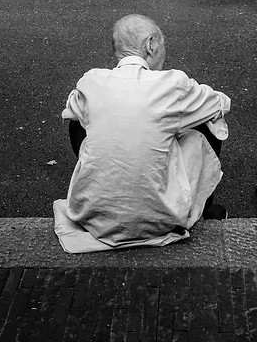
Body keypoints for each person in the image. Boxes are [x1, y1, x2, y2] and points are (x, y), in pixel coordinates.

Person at [53, 14, 231, 253]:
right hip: (162, 220)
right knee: (207, 118)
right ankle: (203, 207)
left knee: (78, 117)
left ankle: (107, 187)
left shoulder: (91, 81)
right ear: (151, 45)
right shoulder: (172, 83)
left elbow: (72, 110)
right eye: (163, 44)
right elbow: (219, 103)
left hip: (94, 220)